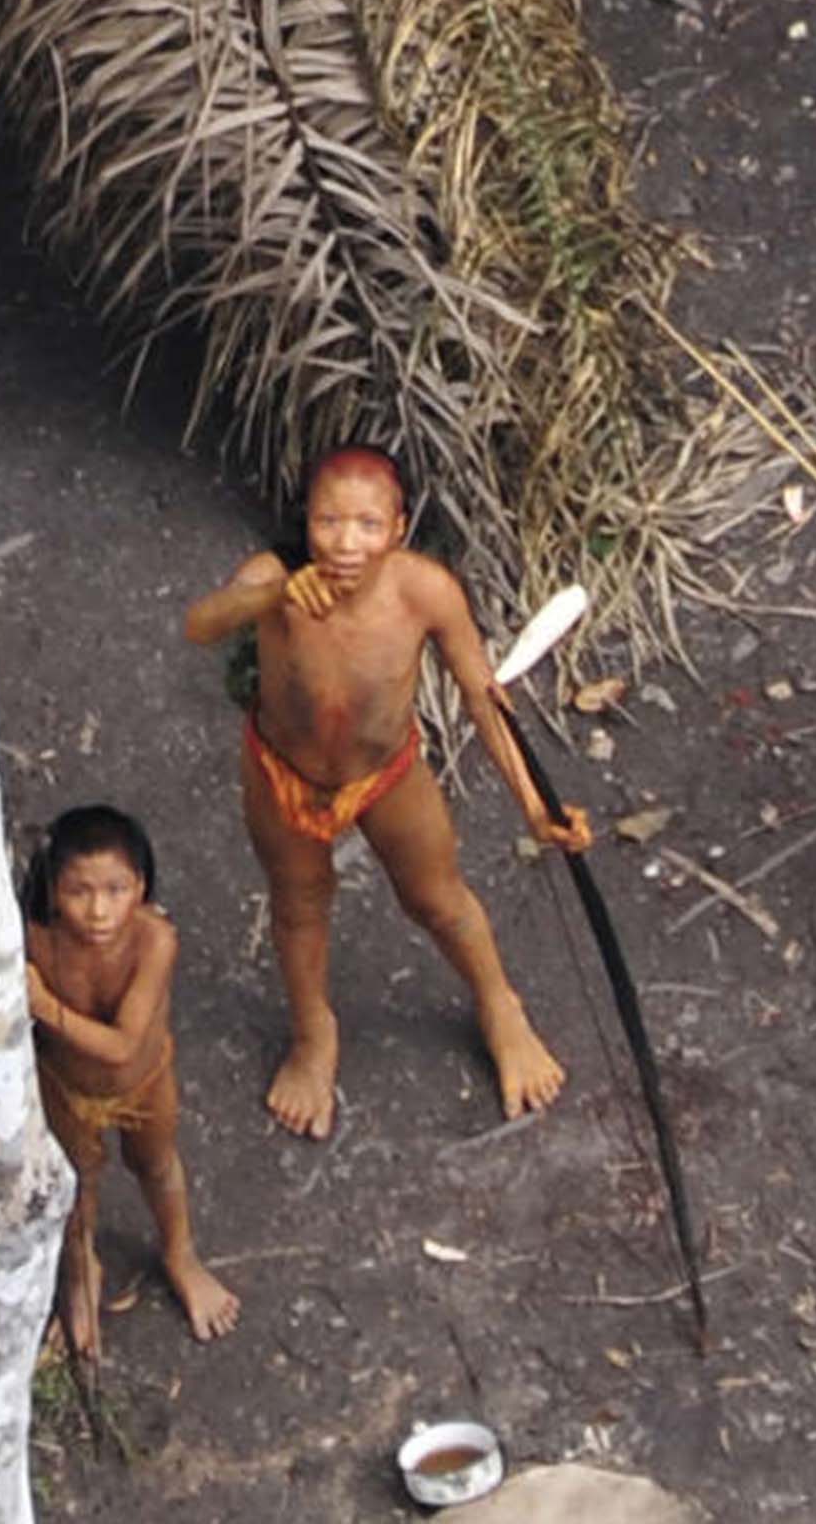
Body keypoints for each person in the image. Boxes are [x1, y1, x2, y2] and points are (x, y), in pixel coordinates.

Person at [183, 445, 590, 1140]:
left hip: (387, 773)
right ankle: (314, 1035)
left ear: (399, 528)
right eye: (328, 521)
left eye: (368, 525)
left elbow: (483, 698)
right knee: (299, 906)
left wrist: (532, 805)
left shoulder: (424, 592)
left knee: (439, 898)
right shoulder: (275, 579)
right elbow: (202, 623)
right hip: (284, 775)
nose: (346, 543)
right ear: (306, 523)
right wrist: (273, 596)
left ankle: (500, 1004)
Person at [24, 804, 239, 1356]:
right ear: (52, 891)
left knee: (157, 1164)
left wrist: (45, 1006)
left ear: (140, 888)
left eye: (116, 890)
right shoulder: (36, 941)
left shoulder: (154, 941)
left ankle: (180, 1254)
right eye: (79, 892)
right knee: (78, 1181)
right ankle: (82, 1271)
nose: (99, 911)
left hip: (146, 1081)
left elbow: (123, 1045)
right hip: (66, 1089)